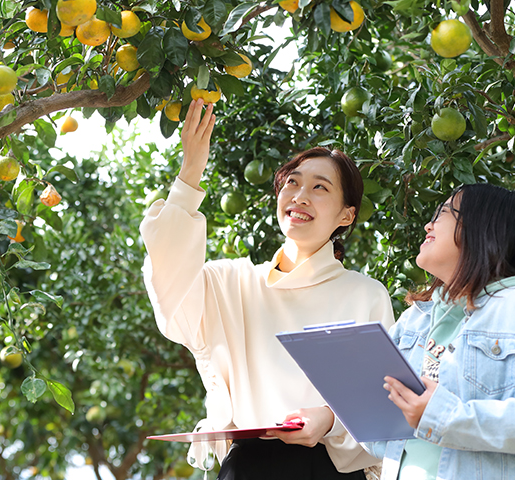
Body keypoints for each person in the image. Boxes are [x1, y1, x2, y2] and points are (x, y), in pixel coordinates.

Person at [140, 98, 394, 479]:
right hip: (250, 467)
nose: (300, 196)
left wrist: (326, 420)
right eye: (292, 182)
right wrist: (190, 175)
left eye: (320, 187)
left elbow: (381, 408)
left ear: (347, 215)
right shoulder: (231, 283)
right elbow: (168, 282)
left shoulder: (364, 294)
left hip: (329, 471)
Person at [363, 183, 515, 479]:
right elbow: (382, 439)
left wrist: (443, 416)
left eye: (444, 213)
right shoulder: (414, 318)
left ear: (484, 228)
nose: (429, 224)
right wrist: (332, 419)